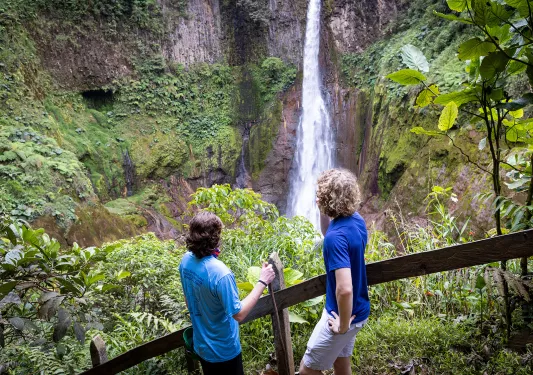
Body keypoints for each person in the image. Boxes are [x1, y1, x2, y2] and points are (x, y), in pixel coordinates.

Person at [179, 211, 276, 375]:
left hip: (201, 345)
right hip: (223, 351)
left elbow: (188, 301)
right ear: (215, 238)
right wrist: (262, 281)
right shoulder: (220, 273)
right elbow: (238, 314)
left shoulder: (186, 261)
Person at [299, 169, 370, 375]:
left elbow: (345, 289)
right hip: (359, 309)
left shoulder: (335, 238)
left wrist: (343, 325)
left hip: (341, 315)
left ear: (326, 198)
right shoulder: (356, 221)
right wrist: (323, 210)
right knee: (341, 364)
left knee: (307, 369)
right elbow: (328, 232)